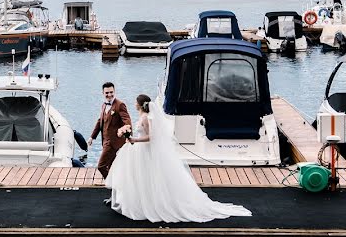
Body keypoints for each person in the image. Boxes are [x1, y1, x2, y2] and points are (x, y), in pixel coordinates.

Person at [106, 94, 251, 223]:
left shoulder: (145, 118)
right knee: (143, 176)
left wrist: (134, 140)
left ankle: (149, 204)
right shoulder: (145, 117)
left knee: (146, 176)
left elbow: (151, 137)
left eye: (136, 102)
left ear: (140, 104)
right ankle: (142, 201)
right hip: (140, 150)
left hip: (144, 149)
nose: (134, 104)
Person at [88, 82, 132, 179]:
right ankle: (116, 184)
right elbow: (100, 121)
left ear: (114, 91)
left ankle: (110, 184)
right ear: (103, 93)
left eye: (111, 92)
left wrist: (127, 133)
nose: (109, 95)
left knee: (101, 166)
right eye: (107, 93)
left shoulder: (120, 105)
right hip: (105, 141)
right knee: (112, 166)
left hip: (114, 141)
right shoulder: (104, 105)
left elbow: (127, 121)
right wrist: (92, 137)